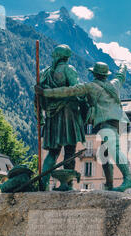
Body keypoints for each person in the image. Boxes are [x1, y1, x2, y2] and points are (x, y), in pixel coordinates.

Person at [35, 62, 131, 192]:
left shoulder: (90, 87)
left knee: (113, 149)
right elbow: (121, 76)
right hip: (119, 120)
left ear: (94, 73)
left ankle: (128, 178)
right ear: (105, 75)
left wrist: (45, 92)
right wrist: (124, 65)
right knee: (104, 153)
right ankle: (109, 185)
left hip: (106, 121)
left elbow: (67, 91)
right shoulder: (114, 84)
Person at [37, 44, 86, 190]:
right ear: (66, 57)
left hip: (52, 116)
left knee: (53, 152)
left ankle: (43, 183)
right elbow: (76, 89)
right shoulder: (68, 69)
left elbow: (39, 97)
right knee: (70, 150)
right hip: (68, 114)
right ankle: (67, 184)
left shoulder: (45, 73)